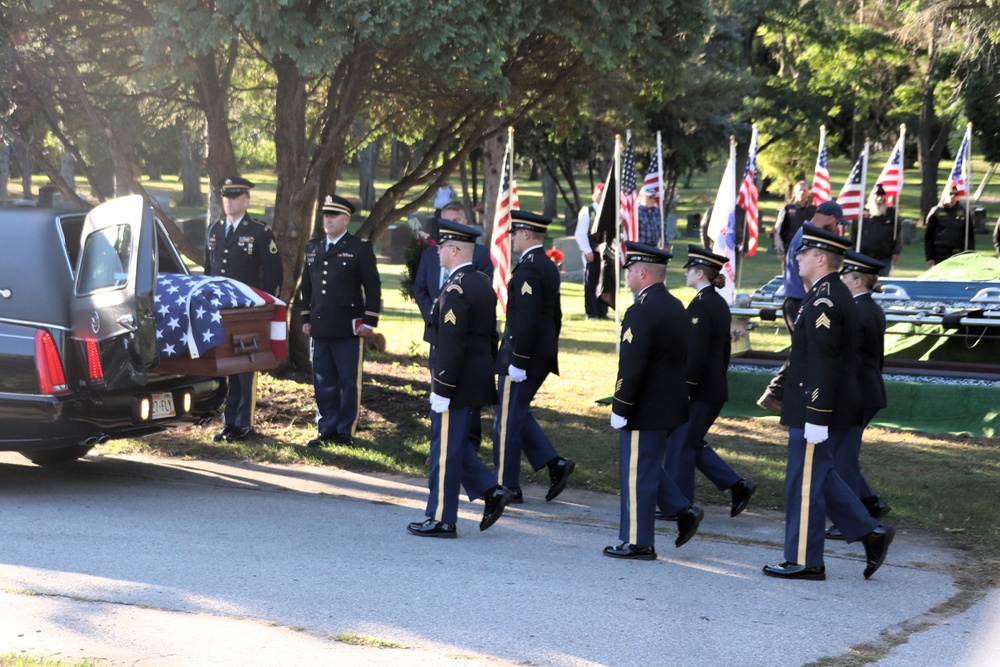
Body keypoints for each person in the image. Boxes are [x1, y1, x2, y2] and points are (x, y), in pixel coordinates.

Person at [763, 224, 894, 581]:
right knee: (816, 475)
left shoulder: (825, 298)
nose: (798, 257)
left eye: (803, 253)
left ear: (821, 258)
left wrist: (817, 415)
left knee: (803, 482)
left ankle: (806, 560)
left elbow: (824, 360)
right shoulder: (826, 292)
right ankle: (869, 532)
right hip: (815, 404)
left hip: (817, 407)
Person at [407, 219, 513, 538]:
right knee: (452, 446)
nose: (437, 252)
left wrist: (443, 386)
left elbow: (452, 345)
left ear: (454, 250)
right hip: (473, 378)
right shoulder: (480, 281)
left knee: (445, 452)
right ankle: (490, 491)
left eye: (442, 247)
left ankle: (442, 517)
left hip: (455, 381)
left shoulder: (455, 288)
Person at [605, 241, 704, 560]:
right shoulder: (676, 305)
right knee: (646, 467)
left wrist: (621, 405)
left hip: (643, 406)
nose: (628, 276)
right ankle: (682, 510)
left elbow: (632, 365)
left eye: (631, 270)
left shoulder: (641, 309)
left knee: (637, 473)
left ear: (643, 272)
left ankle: (638, 541)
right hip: (668, 404)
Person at [663, 246, 757, 517]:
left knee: (680, 444)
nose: (685, 274)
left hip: (700, 389)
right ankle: (737, 485)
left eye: (689, 269)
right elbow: (723, 352)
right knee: (689, 441)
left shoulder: (702, 305)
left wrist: (686, 388)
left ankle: (679, 505)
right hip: (711, 387)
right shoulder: (715, 303)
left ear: (700, 273)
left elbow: (695, 352)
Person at [493, 210, 576, 504]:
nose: (512, 238)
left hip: (522, 354)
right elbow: (555, 316)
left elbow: (526, 320)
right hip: (538, 352)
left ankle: (506, 486)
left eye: (515, 233)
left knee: (506, 420)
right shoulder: (547, 265)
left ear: (527, 234)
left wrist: (519, 359)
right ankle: (555, 464)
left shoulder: (529, 268)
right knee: (517, 413)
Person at [205, 176, 283, 442]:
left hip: (249, 312)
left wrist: (268, 310)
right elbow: (209, 272)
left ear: (247, 200)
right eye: (226, 196)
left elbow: (273, 275)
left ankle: (244, 423)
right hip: (222, 312)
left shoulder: (260, 232)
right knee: (227, 366)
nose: (229, 201)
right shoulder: (214, 230)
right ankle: (229, 421)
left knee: (245, 366)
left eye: (235, 196)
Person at [300, 194, 382, 447]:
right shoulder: (313, 247)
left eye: (333, 215)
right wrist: (305, 316)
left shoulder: (359, 248)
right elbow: (307, 286)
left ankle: (345, 430)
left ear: (346, 219)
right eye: (326, 215)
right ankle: (326, 428)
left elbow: (373, 287)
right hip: (321, 325)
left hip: (348, 327)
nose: (328, 219)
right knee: (323, 379)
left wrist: (369, 321)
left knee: (348, 380)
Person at [413, 201, 493, 450]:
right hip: (439, 336)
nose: (449, 225)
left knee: (464, 396)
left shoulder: (477, 254)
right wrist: (434, 317)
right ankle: (442, 446)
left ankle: (467, 445)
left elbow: (481, 296)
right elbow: (421, 290)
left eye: (455, 221)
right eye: (445, 221)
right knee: (440, 392)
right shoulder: (431, 254)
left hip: (465, 338)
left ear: (465, 222)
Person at [826, 251, 892, 540]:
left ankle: (851, 519)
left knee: (842, 459)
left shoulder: (857, 311)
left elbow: (850, 359)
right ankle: (869, 502)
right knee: (845, 455)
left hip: (858, 394)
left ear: (856, 282)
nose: (841, 281)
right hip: (868, 390)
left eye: (844, 277)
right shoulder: (871, 308)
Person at [756, 200, 844, 415]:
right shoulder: (810, 235)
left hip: (794, 300)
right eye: (837, 222)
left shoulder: (803, 231)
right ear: (831, 218)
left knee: (805, 349)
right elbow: (807, 274)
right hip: (800, 300)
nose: (837, 226)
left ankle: (783, 396)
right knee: (805, 350)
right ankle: (775, 394)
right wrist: (814, 301)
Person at [574, 183, 609, 320]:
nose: (601, 195)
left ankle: (602, 311)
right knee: (591, 282)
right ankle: (591, 312)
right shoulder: (587, 211)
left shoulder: (609, 212)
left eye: (604, 192)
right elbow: (581, 233)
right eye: (599, 193)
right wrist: (588, 251)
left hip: (606, 254)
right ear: (594, 195)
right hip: (592, 253)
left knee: (604, 283)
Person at [850, 184, 901, 275]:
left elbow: (899, 234)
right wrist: (852, 252)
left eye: (882, 196)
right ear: (870, 198)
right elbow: (853, 234)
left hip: (884, 258)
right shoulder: (860, 214)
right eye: (876, 195)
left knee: (882, 285)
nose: (879, 199)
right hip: (863, 257)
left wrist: (896, 251)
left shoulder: (892, 214)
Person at [924, 186, 974, 266]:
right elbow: (929, 236)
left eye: (955, 194)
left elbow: (970, 235)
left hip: (958, 252)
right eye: (950, 193)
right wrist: (929, 256)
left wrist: (970, 253)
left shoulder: (964, 212)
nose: (953, 196)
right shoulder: (936, 212)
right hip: (940, 253)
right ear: (944, 194)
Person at [773, 180, 815, 265]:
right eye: (800, 190)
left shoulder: (814, 211)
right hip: (790, 251)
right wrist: (780, 251)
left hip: (809, 252)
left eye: (805, 190)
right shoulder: (787, 209)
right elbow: (778, 231)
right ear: (794, 192)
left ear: (808, 192)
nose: (802, 192)